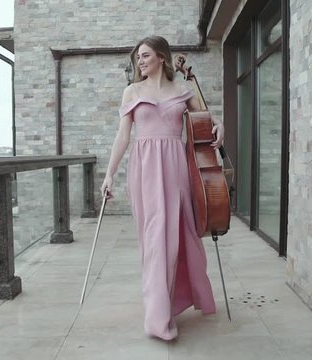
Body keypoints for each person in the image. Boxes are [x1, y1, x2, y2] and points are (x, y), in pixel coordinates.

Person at [100, 35, 224, 340]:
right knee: (154, 241)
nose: (139, 62)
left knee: (177, 238)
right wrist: (109, 174)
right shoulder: (132, 91)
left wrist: (220, 125)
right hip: (143, 170)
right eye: (138, 58)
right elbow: (123, 136)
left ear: (162, 58)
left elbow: (205, 122)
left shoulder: (183, 89)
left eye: (144, 56)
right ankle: (158, 317)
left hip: (175, 167)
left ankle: (170, 304)